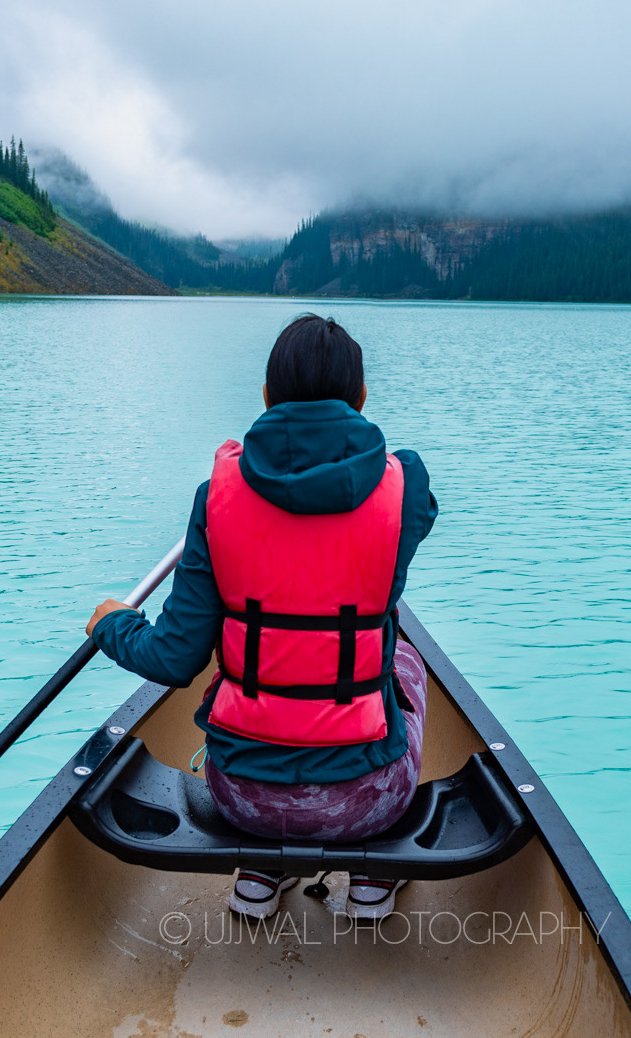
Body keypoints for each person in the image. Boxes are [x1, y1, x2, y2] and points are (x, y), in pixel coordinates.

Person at [86, 314, 439, 921]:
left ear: (267, 398)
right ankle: (373, 876)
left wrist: (110, 624)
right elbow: (418, 500)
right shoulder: (403, 487)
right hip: (366, 803)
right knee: (405, 660)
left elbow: (173, 658)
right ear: (360, 399)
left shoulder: (216, 498)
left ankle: (261, 870)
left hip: (240, 799)